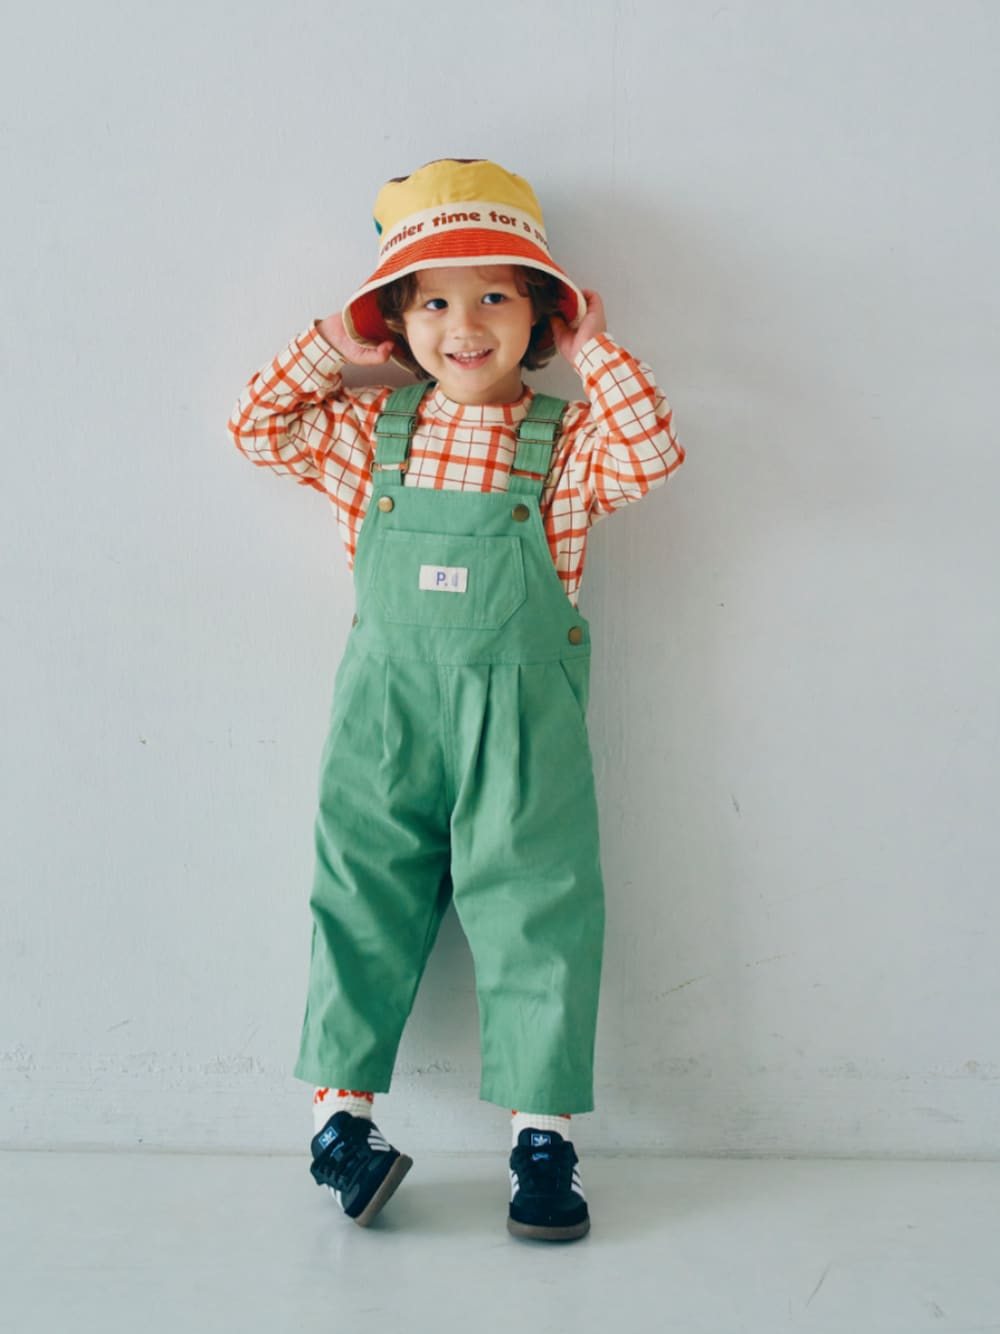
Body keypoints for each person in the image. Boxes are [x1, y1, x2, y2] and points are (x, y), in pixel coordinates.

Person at [227, 158, 684, 1242]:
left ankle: (542, 1143)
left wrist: (598, 351)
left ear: (541, 316)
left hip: (522, 725)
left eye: (494, 296)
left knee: (539, 911)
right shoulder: (368, 432)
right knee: (360, 899)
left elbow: (653, 455)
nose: (464, 325)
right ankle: (338, 1126)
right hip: (385, 717)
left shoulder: (563, 442)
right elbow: (256, 427)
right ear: (394, 320)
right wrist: (330, 345)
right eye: (431, 301)